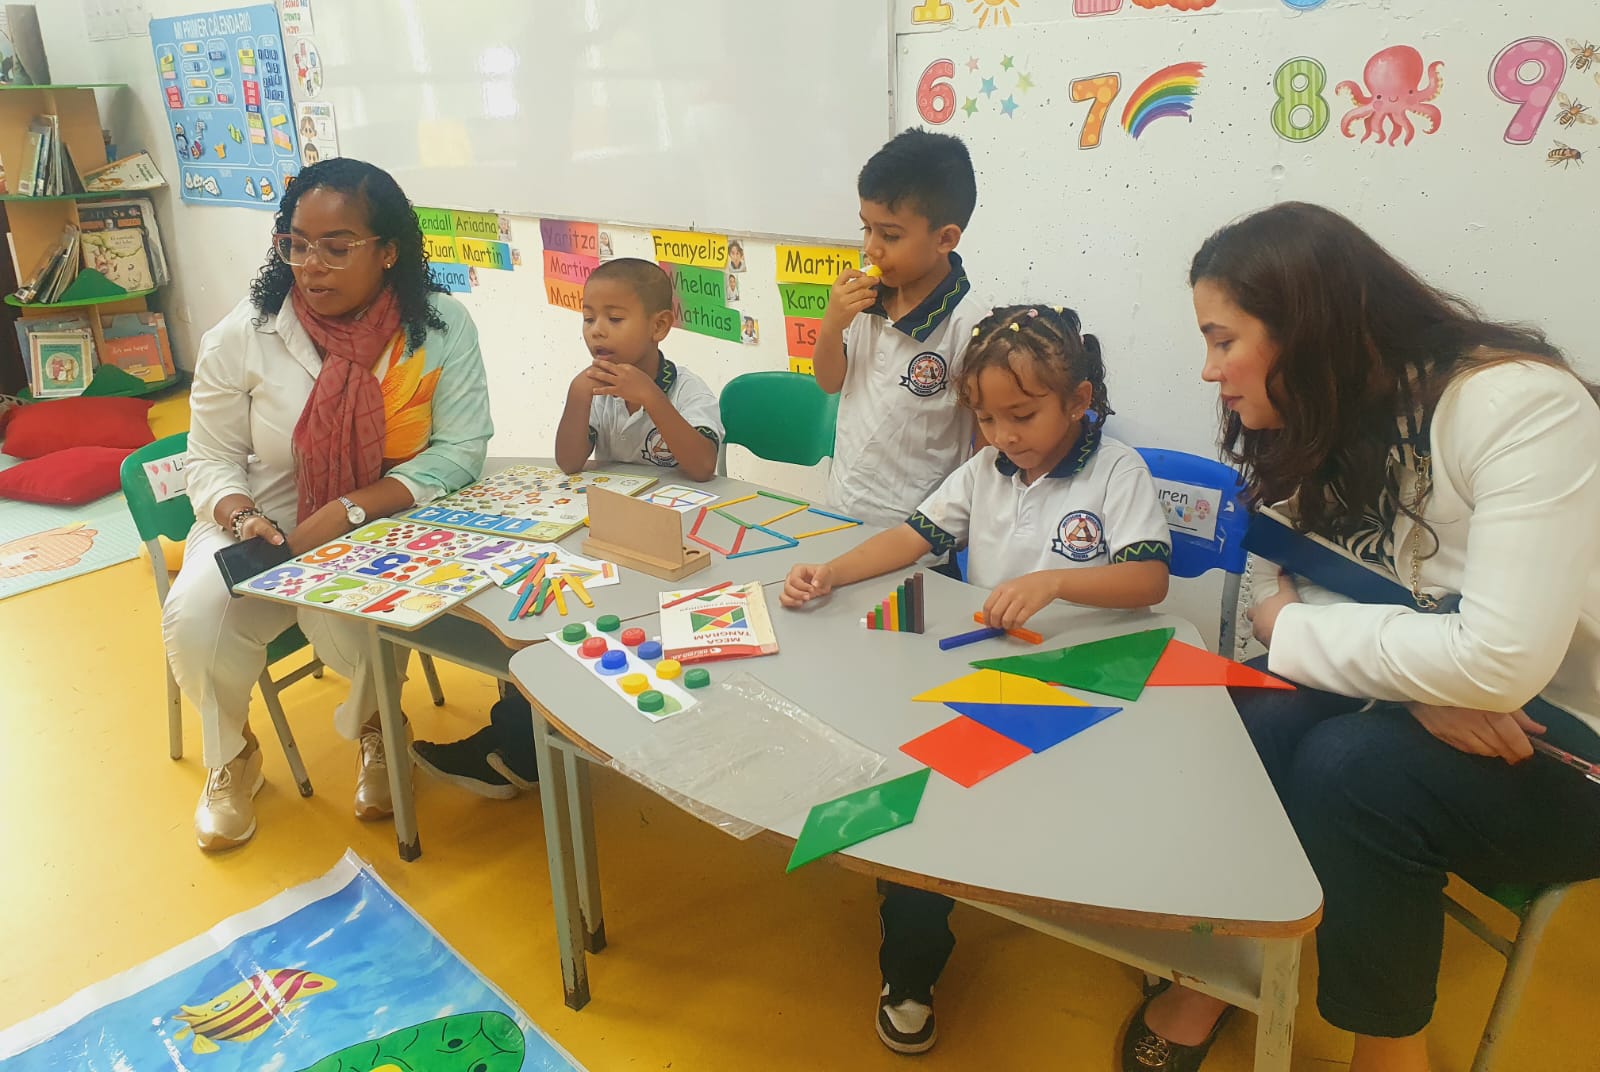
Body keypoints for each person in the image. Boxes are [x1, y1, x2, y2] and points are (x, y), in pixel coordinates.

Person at [1122, 201, 1600, 1072]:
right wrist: (1420, 682)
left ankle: (1388, 1054)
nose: (1208, 370)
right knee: (1251, 713)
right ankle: (1230, 959)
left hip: (1566, 741)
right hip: (1446, 691)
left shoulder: (1522, 406)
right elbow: (1275, 576)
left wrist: (1403, 666)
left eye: (1223, 340)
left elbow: (1500, 660)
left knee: (1354, 773)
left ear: (1302, 328)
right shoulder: (1328, 410)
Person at [783, 304, 1172, 1055]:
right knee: (915, 796)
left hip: (1079, 688)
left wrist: (1058, 582)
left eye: (1021, 416)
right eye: (987, 419)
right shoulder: (987, 468)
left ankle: (1152, 944)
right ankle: (910, 969)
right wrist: (830, 570)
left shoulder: (1116, 469)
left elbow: (1150, 577)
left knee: (1060, 812)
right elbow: (913, 535)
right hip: (986, 680)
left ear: (1079, 402)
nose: (1002, 437)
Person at [163, 158, 493, 853]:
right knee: (198, 615)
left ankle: (380, 729)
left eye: (337, 246)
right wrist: (241, 516)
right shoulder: (243, 334)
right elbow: (211, 457)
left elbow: (459, 453)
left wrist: (349, 511)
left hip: (392, 505)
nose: (312, 265)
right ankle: (234, 757)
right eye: (296, 244)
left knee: (357, 616)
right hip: (267, 506)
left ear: (389, 250)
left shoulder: (439, 328)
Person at [411, 257, 724, 796]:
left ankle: (529, 742)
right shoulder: (595, 390)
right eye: (587, 317)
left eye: (614, 318)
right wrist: (578, 398)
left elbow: (700, 466)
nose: (597, 331)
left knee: (598, 622)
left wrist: (651, 399)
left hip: (683, 545)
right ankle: (522, 739)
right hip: (612, 535)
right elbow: (570, 463)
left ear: (658, 326)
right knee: (541, 604)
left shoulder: (689, 391)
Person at [816, 128, 989, 531]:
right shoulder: (862, 297)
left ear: (945, 238)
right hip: (840, 509)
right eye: (866, 228)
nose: (871, 248)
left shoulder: (972, 325)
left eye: (890, 235)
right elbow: (829, 382)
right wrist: (830, 327)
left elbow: (986, 441)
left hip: (916, 533)